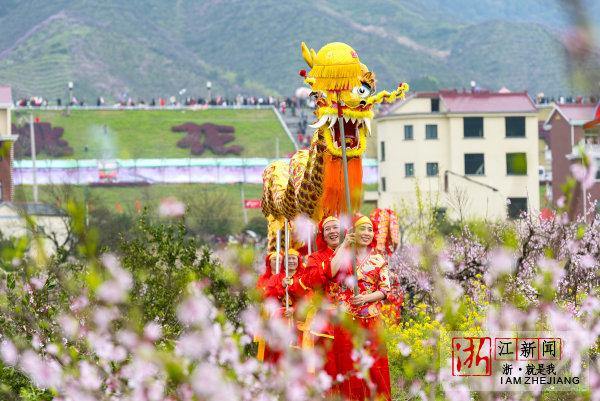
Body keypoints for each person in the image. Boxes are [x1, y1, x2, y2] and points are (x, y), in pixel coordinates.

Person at [327, 214, 392, 400]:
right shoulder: (345, 256)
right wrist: (344, 244)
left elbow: (385, 290)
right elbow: (331, 273)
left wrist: (365, 298)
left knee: (375, 365)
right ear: (353, 232)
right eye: (362, 229)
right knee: (349, 364)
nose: (366, 233)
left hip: (372, 320)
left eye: (370, 230)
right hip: (347, 320)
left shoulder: (379, 260)